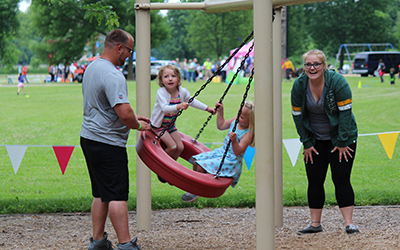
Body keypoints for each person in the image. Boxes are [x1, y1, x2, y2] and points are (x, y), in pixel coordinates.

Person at [80, 29, 150, 250]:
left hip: (89, 138)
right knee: (118, 194)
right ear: (119, 47)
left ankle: (98, 242)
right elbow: (124, 114)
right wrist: (138, 124)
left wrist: (132, 117)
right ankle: (126, 244)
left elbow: (104, 106)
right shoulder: (113, 74)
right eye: (129, 50)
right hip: (107, 143)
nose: (130, 55)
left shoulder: (92, 67)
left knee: (101, 193)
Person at [291, 49, 359, 235]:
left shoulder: (337, 82)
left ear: (324, 66)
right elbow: (297, 115)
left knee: (341, 178)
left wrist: (343, 142)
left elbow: (345, 114)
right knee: (314, 180)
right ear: (304, 67)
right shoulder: (299, 85)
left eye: (316, 64)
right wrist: (306, 142)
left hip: (342, 138)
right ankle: (315, 224)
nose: (312, 68)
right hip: (315, 140)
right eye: (308, 64)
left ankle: (349, 223)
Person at [181, 100, 255, 203]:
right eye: (238, 113)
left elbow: (238, 152)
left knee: (201, 166)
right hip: (221, 152)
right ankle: (195, 186)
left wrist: (234, 141)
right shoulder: (236, 121)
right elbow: (221, 125)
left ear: (251, 121)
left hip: (231, 161)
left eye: (242, 117)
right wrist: (221, 111)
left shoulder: (247, 134)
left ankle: (197, 190)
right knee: (195, 160)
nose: (238, 117)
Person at [150, 64, 216, 162]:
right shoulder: (161, 92)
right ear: (161, 80)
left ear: (178, 78)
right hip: (159, 126)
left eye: (173, 76)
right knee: (172, 147)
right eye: (166, 77)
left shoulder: (182, 92)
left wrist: (207, 108)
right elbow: (164, 108)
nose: (170, 79)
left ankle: (171, 167)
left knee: (180, 147)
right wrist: (178, 106)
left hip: (170, 126)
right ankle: (162, 165)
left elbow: (192, 101)